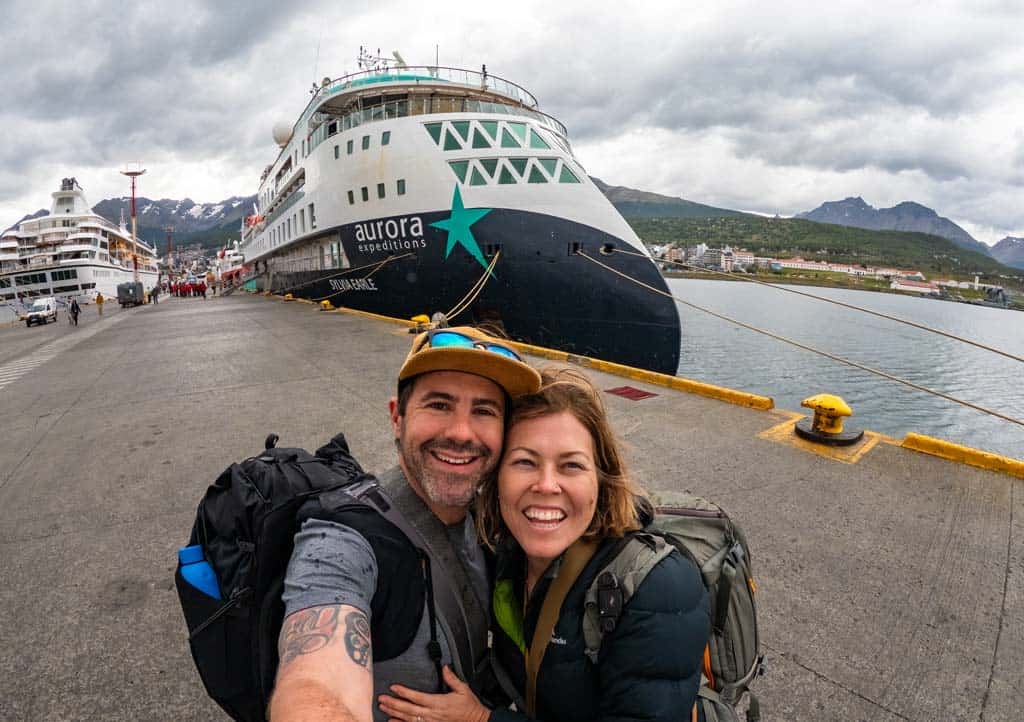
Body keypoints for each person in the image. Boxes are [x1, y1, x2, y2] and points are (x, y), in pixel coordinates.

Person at [379, 367, 711, 722]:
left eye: (571, 465)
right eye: (524, 462)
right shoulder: (503, 552)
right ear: (496, 477)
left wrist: (481, 719)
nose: (547, 485)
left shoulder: (658, 588)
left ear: (600, 478)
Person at [269, 327, 542, 722]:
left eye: (484, 411)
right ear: (397, 417)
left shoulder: (494, 520)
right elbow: (314, 683)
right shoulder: (341, 539)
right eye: (439, 405)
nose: (461, 433)